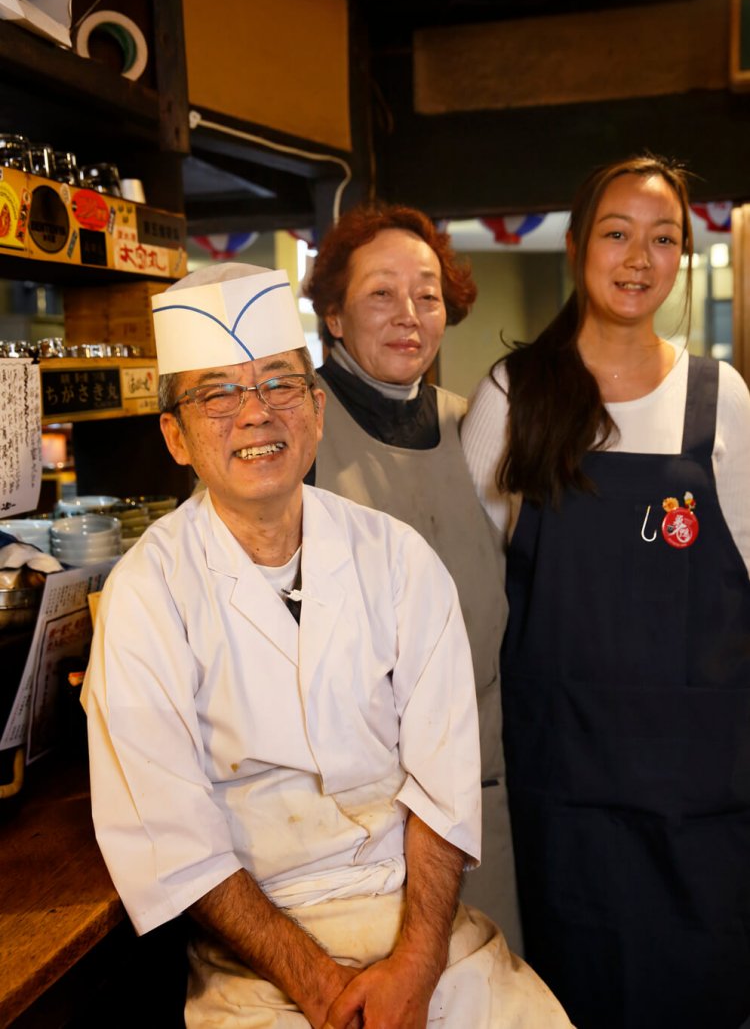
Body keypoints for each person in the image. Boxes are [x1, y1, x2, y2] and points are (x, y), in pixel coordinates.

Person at [82, 262, 573, 1029]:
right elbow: (175, 844)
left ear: (315, 410)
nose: (256, 414)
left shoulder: (400, 560)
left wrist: (414, 966)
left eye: (280, 384)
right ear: (176, 436)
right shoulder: (146, 595)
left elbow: (443, 789)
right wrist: (321, 990)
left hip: (422, 928)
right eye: (217, 394)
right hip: (259, 960)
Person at [461, 153, 750, 1029]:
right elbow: (473, 584)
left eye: (662, 239)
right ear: (578, 246)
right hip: (566, 780)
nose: (638, 258)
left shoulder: (720, 398)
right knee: (571, 993)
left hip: (701, 784)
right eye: (617, 234)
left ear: (682, 258)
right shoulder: (517, 394)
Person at [302, 204, 521, 949]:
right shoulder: (296, 434)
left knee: (490, 985)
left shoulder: (480, 427)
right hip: (349, 813)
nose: (409, 314)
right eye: (380, 294)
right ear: (334, 315)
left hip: (480, 787)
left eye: (427, 295)